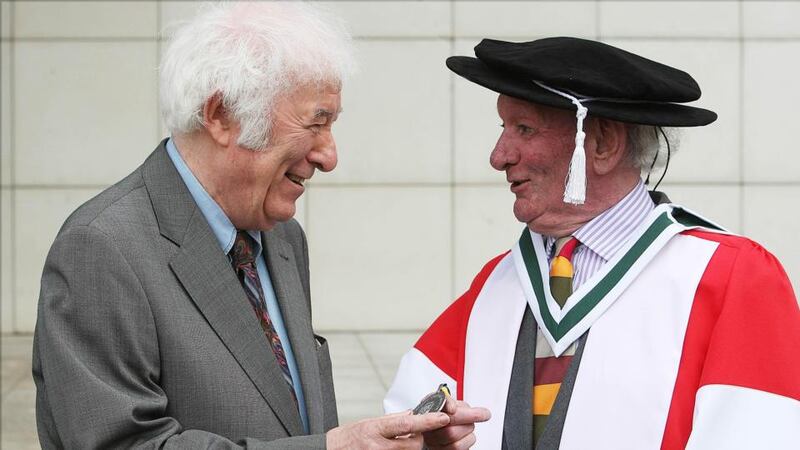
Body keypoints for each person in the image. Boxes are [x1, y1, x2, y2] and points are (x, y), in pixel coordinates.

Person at [32, 3, 488, 449]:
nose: (330, 156)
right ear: (221, 115)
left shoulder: (281, 237)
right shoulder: (101, 248)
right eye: (316, 122)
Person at [385, 37, 800, 449]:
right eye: (503, 128)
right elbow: (402, 430)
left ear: (601, 144)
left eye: (524, 128)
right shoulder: (497, 283)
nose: (499, 156)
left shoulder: (730, 279)